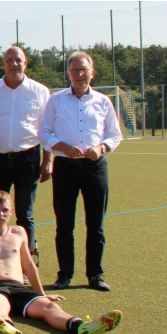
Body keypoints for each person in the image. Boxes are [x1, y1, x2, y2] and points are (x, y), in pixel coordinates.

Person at [0, 190, 122, 334]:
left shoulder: (19, 232)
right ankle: (6, 327)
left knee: (48, 307)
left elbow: (29, 265)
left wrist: (42, 294)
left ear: (11, 211)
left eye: (5, 210)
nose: (1, 214)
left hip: (19, 287)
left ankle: (82, 326)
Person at [39, 51, 122, 292]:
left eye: (83, 70)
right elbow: (44, 132)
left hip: (95, 167)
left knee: (95, 224)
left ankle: (95, 274)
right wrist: (61, 146)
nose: (79, 74)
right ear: (68, 74)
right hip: (65, 167)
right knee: (64, 224)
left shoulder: (103, 101)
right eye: (74, 70)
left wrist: (102, 147)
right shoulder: (56, 100)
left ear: (91, 73)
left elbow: (114, 134)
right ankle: (64, 275)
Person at [0, 46, 52, 263]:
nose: (14, 64)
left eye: (18, 60)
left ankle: (24, 263)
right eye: (9, 60)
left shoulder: (40, 91)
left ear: (26, 62)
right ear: (3, 63)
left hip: (28, 159)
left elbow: (47, 128)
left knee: (25, 214)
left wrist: (48, 161)